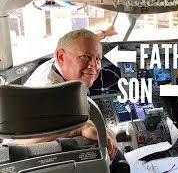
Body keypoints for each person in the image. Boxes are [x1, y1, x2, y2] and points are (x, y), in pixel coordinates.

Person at [11, 28, 120, 162]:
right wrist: (78, 127)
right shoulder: (49, 91)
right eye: (86, 57)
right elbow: (15, 143)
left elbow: (83, 45)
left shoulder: (59, 64)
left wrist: (104, 34)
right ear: (61, 57)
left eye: (98, 59)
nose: (94, 65)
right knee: (115, 157)